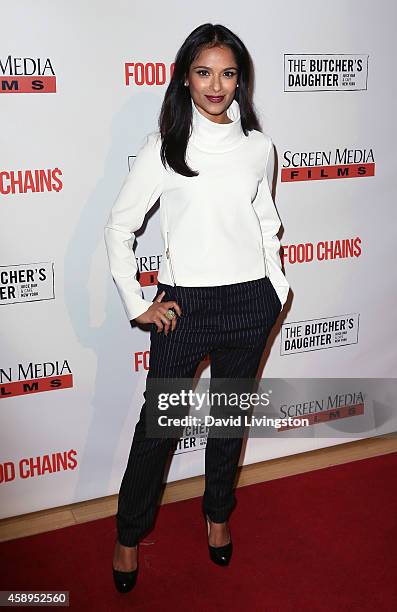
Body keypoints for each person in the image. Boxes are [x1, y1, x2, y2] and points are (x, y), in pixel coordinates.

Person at [104, 22, 290, 593]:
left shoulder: (259, 148)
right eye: (204, 72)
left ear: (241, 80)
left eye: (227, 73)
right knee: (158, 430)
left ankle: (217, 516)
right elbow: (119, 225)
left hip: (249, 302)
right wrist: (139, 303)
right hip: (183, 308)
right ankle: (129, 536)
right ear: (185, 78)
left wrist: (275, 288)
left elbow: (265, 221)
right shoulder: (166, 147)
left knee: (229, 422)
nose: (216, 85)